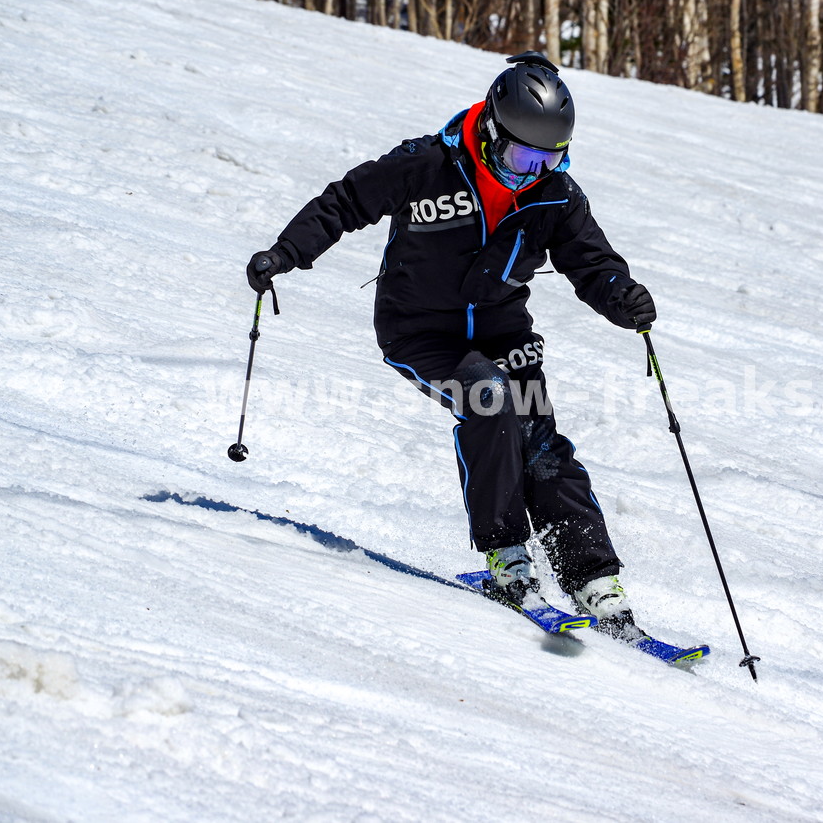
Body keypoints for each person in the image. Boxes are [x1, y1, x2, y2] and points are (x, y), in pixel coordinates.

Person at [246, 52, 657, 640]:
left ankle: (592, 578)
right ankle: (507, 556)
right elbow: (344, 203)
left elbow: (592, 263)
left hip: (503, 332)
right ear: (491, 130)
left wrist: (622, 296)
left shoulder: (554, 195)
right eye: (522, 156)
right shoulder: (426, 165)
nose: (533, 171)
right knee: (491, 402)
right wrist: (284, 254)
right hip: (421, 331)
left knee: (541, 443)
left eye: (550, 158)